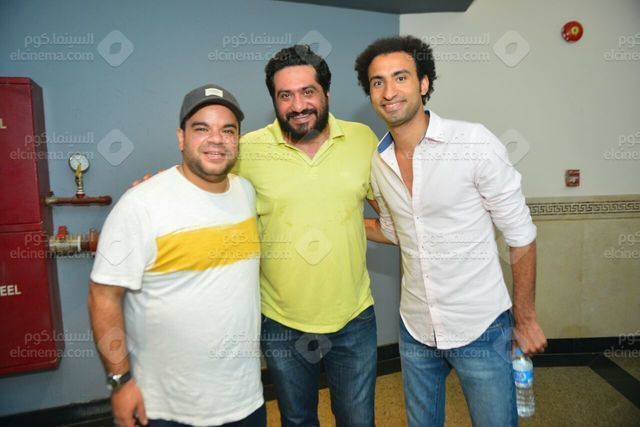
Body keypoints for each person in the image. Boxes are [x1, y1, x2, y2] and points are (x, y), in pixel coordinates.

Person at [355, 36, 547, 426]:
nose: (389, 92)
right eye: (377, 82)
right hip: (415, 328)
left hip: (481, 327)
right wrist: (335, 224)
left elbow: (520, 235)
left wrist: (525, 319)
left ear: (424, 83)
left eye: (400, 77)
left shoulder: (473, 142)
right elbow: (395, 230)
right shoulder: (379, 161)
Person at [88, 84, 265, 427]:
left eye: (228, 130)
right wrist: (120, 382)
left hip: (245, 399)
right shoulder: (141, 205)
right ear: (181, 137)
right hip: (169, 409)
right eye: (202, 129)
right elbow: (102, 297)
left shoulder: (245, 192)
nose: (216, 139)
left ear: (238, 140)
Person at [235, 45, 380, 426]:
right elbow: (205, 193)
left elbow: (393, 211)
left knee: (358, 421)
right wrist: (161, 187)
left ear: (326, 92)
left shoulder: (363, 139)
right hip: (282, 321)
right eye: (285, 95)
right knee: (297, 420)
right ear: (274, 100)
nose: (298, 105)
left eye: (307, 92)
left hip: (353, 319)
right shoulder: (247, 150)